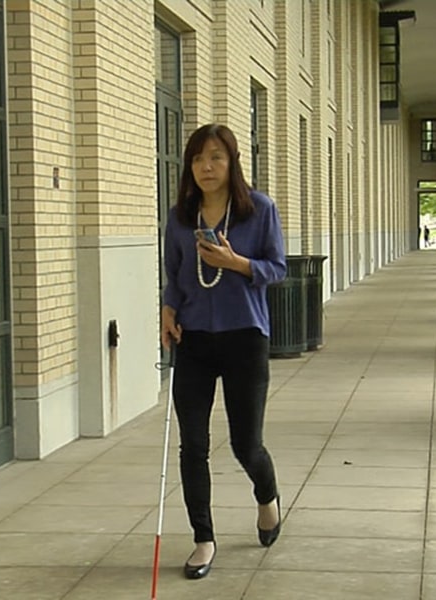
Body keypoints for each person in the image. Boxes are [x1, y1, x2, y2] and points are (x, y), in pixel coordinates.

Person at [161, 123, 286, 580]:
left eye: (215, 157)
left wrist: (236, 263)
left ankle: (267, 497)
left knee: (245, 444)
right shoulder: (180, 218)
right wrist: (167, 309)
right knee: (193, 445)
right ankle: (203, 538)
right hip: (193, 340)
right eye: (197, 158)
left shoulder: (259, 210)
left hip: (244, 338)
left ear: (232, 162)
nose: (205, 167)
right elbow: (174, 275)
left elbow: (276, 268)